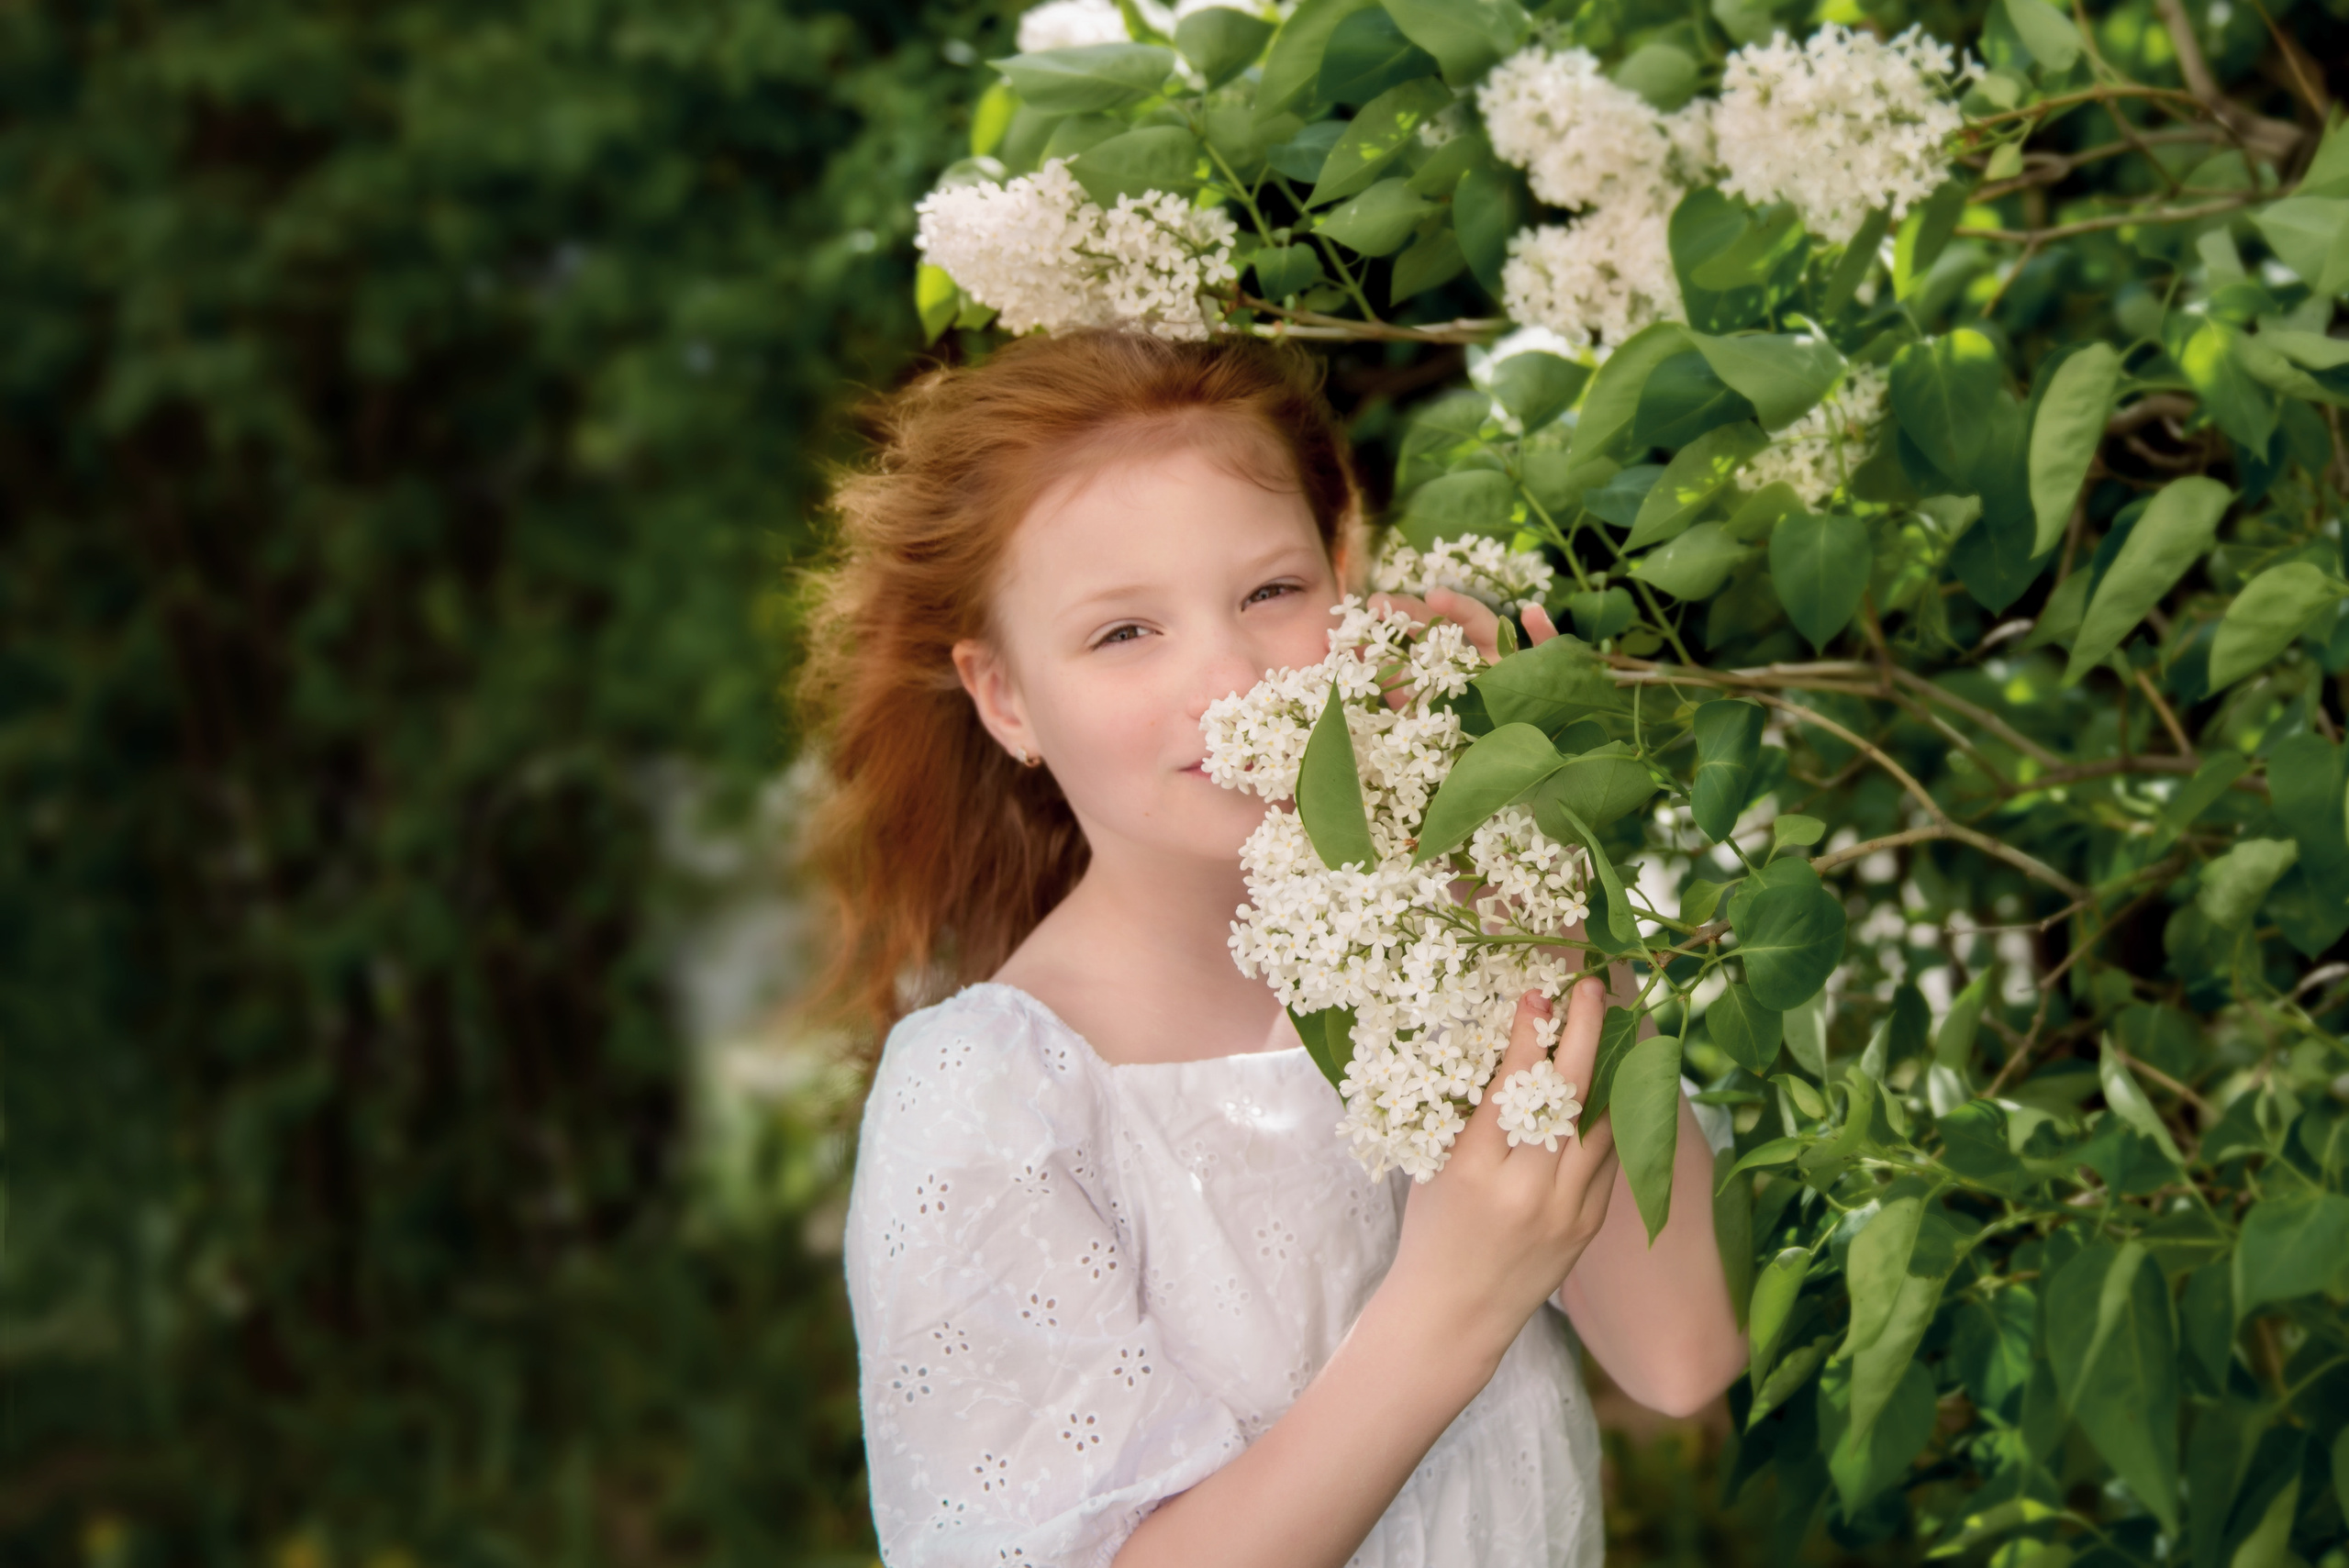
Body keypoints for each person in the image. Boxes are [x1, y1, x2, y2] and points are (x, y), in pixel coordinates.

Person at [797, 327, 1746, 1568]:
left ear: (1345, 584)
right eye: (1124, 632)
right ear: (1004, 696)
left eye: (1271, 593)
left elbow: (1685, 1351)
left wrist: (1522, 845)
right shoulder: (991, 1092)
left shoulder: (1453, 940)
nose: (1233, 676)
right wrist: (1451, 1303)